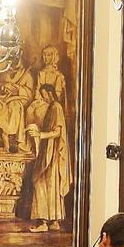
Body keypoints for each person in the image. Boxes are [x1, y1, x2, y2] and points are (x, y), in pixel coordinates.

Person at [25, 83, 71, 233]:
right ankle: (52, 221)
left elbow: (57, 132)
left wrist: (40, 135)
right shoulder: (52, 107)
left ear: (50, 94)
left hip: (52, 153)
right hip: (48, 151)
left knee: (43, 183)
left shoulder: (56, 106)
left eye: (44, 94)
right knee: (48, 185)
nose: (43, 98)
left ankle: (45, 221)